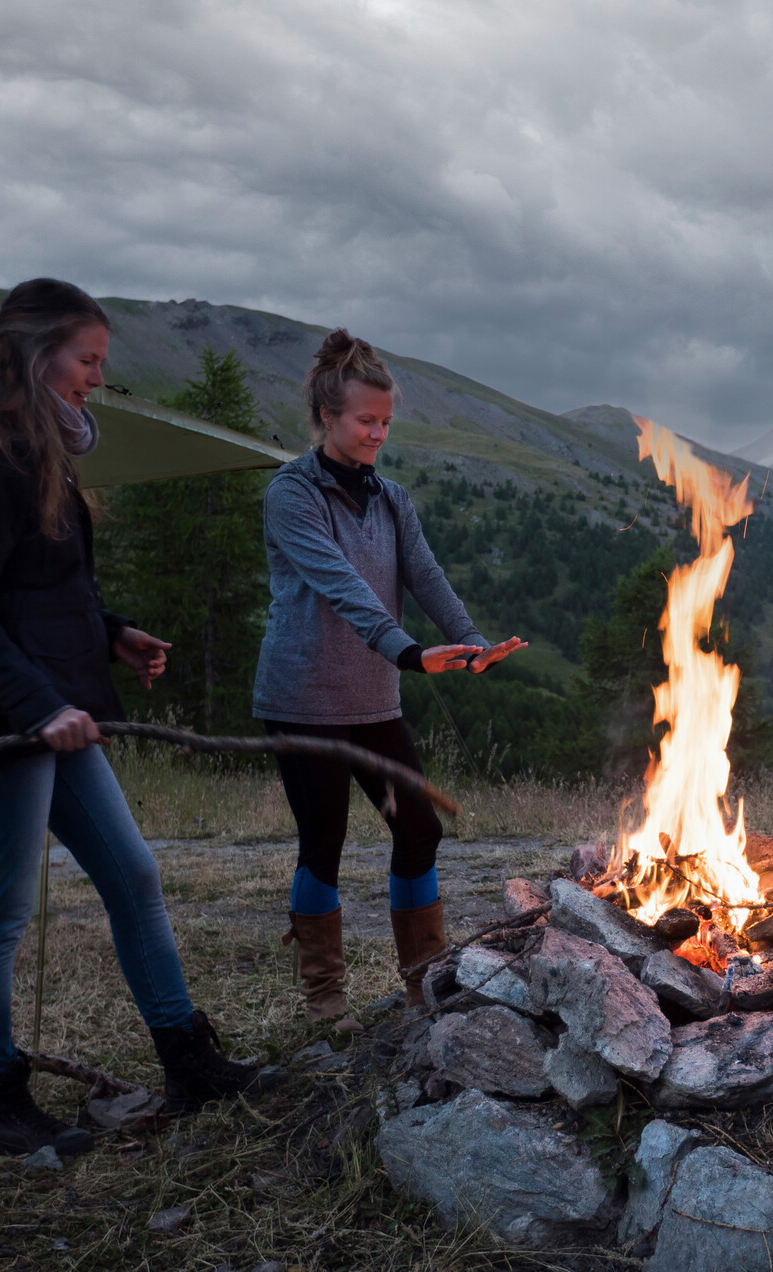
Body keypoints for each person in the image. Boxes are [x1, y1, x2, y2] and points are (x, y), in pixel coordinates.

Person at [0, 278, 278, 1156]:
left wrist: (112, 634)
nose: (97, 380)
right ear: (40, 357)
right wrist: (37, 704)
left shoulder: (36, 453)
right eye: (89, 360)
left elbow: (39, 588)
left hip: (56, 707)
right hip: (6, 720)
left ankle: (187, 1061)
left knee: (135, 875)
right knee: (0, 912)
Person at [255, 329, 526, 1029]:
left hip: (373, 700)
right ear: (327, 417)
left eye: (385, 423)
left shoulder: (391, 498)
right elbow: (341, 586)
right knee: (324, 843)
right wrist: (407, 651)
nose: (377, 434)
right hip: (304, 700)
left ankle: (424, 985)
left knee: (419, 834)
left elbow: (425, 575)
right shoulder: (291, 495)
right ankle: (326, 1003)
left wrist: (469, 640)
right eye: (364, 421)